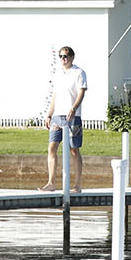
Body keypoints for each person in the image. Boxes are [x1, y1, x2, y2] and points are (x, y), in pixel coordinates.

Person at [40, 45, 88, 192]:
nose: (63, 58)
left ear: (72, 57)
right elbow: (55, 95)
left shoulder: (79, 72)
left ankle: (77, 185)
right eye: (61, 56)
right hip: (57, 117)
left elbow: (81, 92)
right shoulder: (58, 74)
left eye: (66, 56)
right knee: (52, 147)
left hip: (72, 116)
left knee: (74, 149)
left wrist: (73, 108)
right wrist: (49, 114)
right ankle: (51, 183)